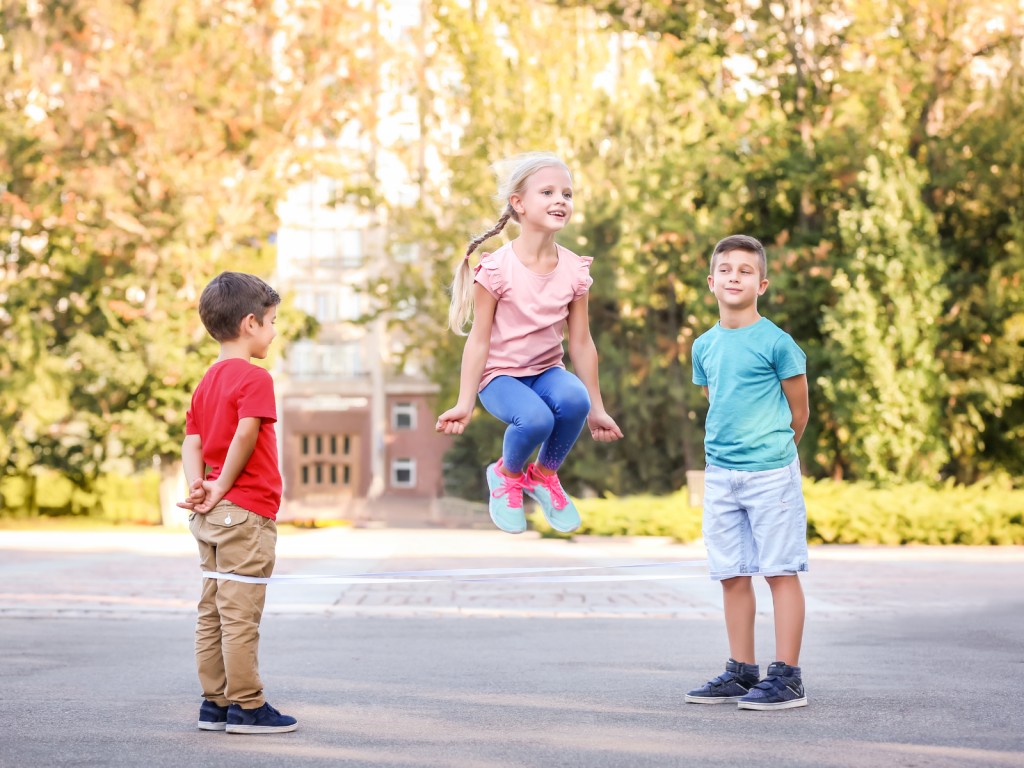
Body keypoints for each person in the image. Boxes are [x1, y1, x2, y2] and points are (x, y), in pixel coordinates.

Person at [435, 152, 623, 534]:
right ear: (518, 204)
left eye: (567, 194)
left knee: (574, 400)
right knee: (536, 419)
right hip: (500, 378)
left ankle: (543, 475)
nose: (560, 200)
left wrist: (597, 410)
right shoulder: (496, 268)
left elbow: (582, 343)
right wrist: (464, 402)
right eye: (548, 192)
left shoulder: (574, 270)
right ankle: (506, 474)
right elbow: (479, 339)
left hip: (546, 373)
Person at [685, 234, 810, 711]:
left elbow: (798, 413)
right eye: (726, 269)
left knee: (779, 570)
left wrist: (774, 453)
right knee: (732, 574)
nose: (734, 276)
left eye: (745, 270)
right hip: (721, 474)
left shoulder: (778, 343)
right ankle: (742, 671)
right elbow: (718, 403)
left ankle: (788, 677)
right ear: (711, 281)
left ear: (762, 283)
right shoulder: (704, 345)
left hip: (771, 475)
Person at [177, 271, 298, 734]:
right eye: (271, 321)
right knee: (240, 613)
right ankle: (248, 707)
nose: (273, 330)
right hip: (245, 513)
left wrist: (199, 486)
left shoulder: (207, 381)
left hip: (210, 515)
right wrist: (223, 486)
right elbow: (247, 433)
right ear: (250, 324)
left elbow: (192, 441)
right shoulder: (254, 378)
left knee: (213, 609)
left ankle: (216, 702)